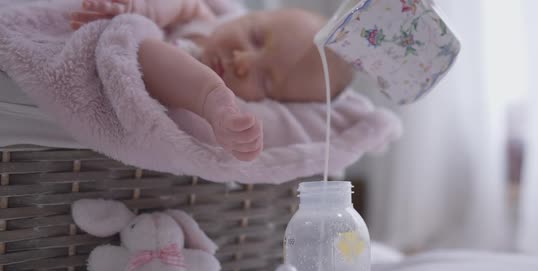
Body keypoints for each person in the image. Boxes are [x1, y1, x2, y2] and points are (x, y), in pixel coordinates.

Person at [70, 0, 353, 161]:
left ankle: (207, 98)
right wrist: (142, 9)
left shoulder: (234, 103)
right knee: (141, 35)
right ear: (251, 15)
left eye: (265, 80)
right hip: (112, 44)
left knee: (147, 50)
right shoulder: (205, 21)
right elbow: (183, 5)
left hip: (143, 61)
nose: (243, 61)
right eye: (255, 38)